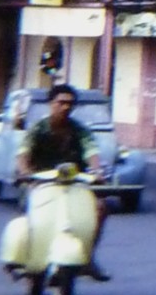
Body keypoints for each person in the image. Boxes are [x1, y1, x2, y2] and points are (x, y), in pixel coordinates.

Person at [15, 84, 110, 280]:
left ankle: (88, 256)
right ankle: (26, 256)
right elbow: (24, 153)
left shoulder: (80, 130)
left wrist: (97, 171)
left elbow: (91, 151)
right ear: (51, 104)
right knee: (31, 213)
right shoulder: (38, 129)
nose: (66, 107)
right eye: (61, 102)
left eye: (70, 104)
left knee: (100, 207)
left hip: (74, 183)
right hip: (41, 183)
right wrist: (25, 173)